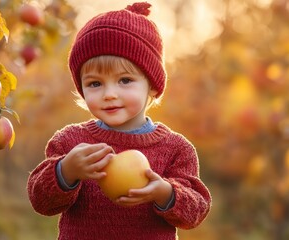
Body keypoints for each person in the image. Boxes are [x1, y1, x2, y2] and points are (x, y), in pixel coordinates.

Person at [27, 2, 212, 239]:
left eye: (124, 80)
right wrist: (66, 171)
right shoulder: (72, 143)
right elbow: (41, 201)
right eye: (95, 83)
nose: (109, 94)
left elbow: (196, 210)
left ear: (153, 87)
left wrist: (165, 193)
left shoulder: (176, 149)